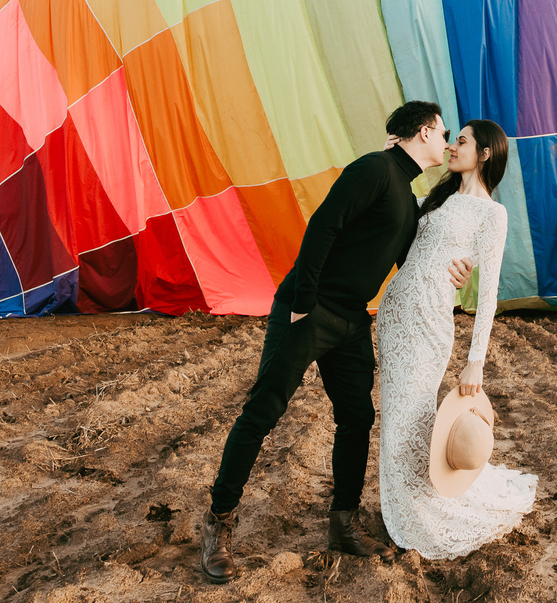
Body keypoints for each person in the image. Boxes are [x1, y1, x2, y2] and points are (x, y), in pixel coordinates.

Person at [200, 101, 472, 584]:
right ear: (425, 131)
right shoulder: (373, 169)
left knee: (357, 418)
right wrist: (302, 302)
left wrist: (452, 269)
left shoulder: (406, 199)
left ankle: (342, 524)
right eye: (444, 131)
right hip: (310, 310)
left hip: (350, 321)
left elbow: (412, 263)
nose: (448, 140)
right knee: (264, 410)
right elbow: (323, 226)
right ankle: (218, 521)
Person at [376, 119, 538, 560]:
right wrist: (392, 150)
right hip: (394, 315)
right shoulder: (437, 198)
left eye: (461, 141)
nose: (452, 146)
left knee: (409, 418)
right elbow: (403, 232)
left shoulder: (492, 213)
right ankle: (400, 505)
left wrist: (476, 361)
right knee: (394, 415)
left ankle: (413, 514)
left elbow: (488, 293)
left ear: (484, 153)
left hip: (430, 321)